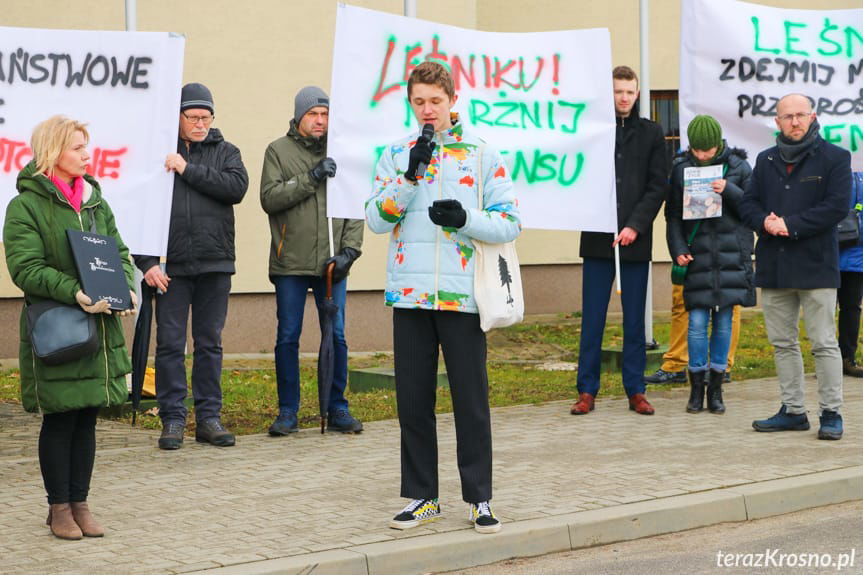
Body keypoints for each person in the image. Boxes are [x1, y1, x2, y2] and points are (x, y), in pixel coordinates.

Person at [366, 62, 520, 534]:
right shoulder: (396, 154)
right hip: (410, 296)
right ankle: (422, 496)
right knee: (413, 402)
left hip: (462, 295)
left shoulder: (481, 154)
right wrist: (409, 179)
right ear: (410, 103)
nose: (427, 110)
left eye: (435, 101)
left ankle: (479, 498)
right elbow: (375, 219)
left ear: (453, 99)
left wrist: (465, 219)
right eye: (419, 102)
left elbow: (510, 221)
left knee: (469, 400)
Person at [4, 116, 137, 540]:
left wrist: (127, 288)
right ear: (52, 153)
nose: (86, 155)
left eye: (86, 147)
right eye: (77, 148)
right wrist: (74, 292)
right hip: (60, 328)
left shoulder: (96, 201)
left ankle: (80, 502)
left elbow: (118, 250)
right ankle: (58, 507)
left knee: (87, 419)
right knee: (61, 419)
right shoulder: (25, 206)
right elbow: (25, 267)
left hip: (100, 331)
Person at [134, 83, 249, 450]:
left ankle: (209, 418)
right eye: (193, 117)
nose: (200, 124)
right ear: (178, 117)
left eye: (206, 117)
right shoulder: (156, 156)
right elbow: (138, 212)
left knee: (209, 343)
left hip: (215, 263)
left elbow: (236, 188)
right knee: (169, 345)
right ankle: (172, 419)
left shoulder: (226, 152)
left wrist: (186, 168)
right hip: (170, 268)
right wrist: (147, 263)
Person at [740, 93, 851, 440]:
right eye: (787, 116)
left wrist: (791, 224)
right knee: (782, 342)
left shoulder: (835, 157)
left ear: (813, 116)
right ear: (777, 122)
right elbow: (748, 203)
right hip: (775, 265)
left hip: (816, 265)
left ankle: (831, 412)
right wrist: (766, 223)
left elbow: (836, 207)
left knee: (823, 342)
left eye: (801, 115)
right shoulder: (766, 159)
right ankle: (792, 411)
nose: (795, 121)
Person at [260, 86, 364, 435]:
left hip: (332, 264)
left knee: (336, 335)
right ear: (299, 117)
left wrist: (350, 250)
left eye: (324, 114)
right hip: (290, 261)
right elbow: (270, 198)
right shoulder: (278, 151)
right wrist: (312, 177)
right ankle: (288, 410)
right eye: (313, 115)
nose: (319, 121)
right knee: (288, 336)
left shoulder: (343, 152)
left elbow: (355, 204)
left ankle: (337, 407)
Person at [570, 65, 667, 416]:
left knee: (634, 323)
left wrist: (635, 226)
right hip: (598, 241)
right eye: (617, 91)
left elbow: (658, 185)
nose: (623, 98)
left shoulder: (652, 133)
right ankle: (587, 390)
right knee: (593, 319)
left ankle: (635, 390)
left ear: (637, 94)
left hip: (634, 243)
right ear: (608, 94)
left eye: (629, 91)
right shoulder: (594, 132)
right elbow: (577, 176)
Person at [665, 115, 755, 414]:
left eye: (708, 150)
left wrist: (728, 189)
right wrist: (677, 249)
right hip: (697, 256)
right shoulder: (680, 169)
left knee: (724, 323)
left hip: (730, 257)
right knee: (697, 324)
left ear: (719, 145)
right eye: (698, 151)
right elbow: (673, 217)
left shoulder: (740, 167)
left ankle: (716, 390)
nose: (702, 156)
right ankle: (696, 389)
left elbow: (752, 208)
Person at [837, 171, 863, 377]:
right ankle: (829, 360)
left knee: (851, 308)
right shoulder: (829, 171)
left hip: (856, 256)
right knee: (825, 310)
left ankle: (847, 358)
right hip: (827, 256)